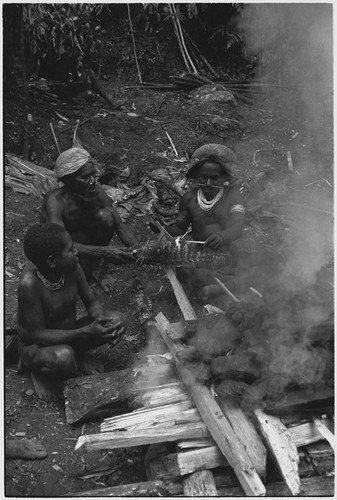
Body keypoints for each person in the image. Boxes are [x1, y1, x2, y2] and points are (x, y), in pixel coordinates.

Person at [16, 223, 127, 401]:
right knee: (64, 357)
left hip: (69, 335)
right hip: (36, 347)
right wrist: (87, 331)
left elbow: (91, 303)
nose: (76, 252)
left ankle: (77, 356)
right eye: (70, 250)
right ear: (52, 261)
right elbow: (39, 336)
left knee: (116, 320)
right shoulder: (29, 285)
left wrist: (102, 322)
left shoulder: (72, 268)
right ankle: (39, 372)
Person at [41, 147, 137, 278]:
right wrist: (103, 252)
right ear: (68, 179)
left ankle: (93, 265)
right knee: (67, 270)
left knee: (107, 216)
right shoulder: (55, 201)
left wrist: (140, 250)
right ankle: (87, 268)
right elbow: (59, 244)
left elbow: (119, 225)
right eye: (85, 177)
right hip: (62, 248)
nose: (93, 181)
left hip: (82, 242)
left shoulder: (96, 192)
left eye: (93, 175)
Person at [166, 143, 245, 301]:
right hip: (200, 255)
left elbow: (238, 226)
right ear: (196, 176)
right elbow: (180, 228)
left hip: (226, 254)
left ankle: (220, 287)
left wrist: (223, 236)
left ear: (225, 178)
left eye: (214, 178)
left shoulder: (233, 197)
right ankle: (218, 286)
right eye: (203, 177)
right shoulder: (189, 198)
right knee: (185, 270)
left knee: (250, 270)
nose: (208, 182)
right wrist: (164, 237)